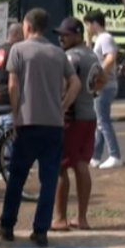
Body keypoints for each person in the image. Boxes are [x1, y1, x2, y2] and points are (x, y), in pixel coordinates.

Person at [0, 9, 81, 248]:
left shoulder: (18, 50)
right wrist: (63, 105)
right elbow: (74, 83)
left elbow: (13, 85)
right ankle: (41, 229)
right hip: (53, 124)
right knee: (49, 179)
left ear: (27, 26)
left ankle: (7, 225)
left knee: (17, 177)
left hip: (27, 121)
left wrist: (16, 114)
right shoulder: (58, 53)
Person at [53, 18, 104, 232]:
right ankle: (81, 217)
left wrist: (60, 104)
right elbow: (100, 81)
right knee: (81, 164)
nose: (60, 38)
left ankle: (60, 218)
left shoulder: (71, 57)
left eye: (65, 34)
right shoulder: (92, 54)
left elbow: (65, 85)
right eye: (60, 34)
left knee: (60, 167)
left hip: (71, 117)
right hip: (89, 115)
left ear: (76, 34)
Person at [85, 10, 123, 169]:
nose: (87, 28)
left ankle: (115, 155)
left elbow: (110, 58)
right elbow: (90, 56)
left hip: (105, 86)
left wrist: (98, 78)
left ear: (94, 23)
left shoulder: (105, 38)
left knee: (103, 121)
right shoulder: (99, 39)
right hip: (104, 85)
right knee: (99, 122)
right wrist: (88, 39)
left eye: (87, 24)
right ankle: (95, 156)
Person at [0, 24, 24, 102]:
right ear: (16, 34)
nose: (24, 38)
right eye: (22, 34)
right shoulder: (15, 51)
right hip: (9, 95)